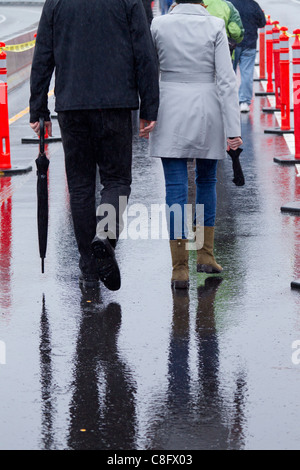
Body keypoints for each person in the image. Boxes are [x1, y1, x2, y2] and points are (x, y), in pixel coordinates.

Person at [30, 0, 159, 290]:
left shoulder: (57, 2)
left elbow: (43, 55)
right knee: (116, 181)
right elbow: (144, 51)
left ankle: (88, 268)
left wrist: (38, 107)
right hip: (116, 102)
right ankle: (105, 235)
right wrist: (149, 106)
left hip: (71, 104)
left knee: (80, 187)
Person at [146, 0, 242, 289]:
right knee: (206, 181)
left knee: (175, 188)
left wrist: (145, 112)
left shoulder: (158, 25)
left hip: (168, 106)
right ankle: (205, 254)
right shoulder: (214, 26)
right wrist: (233, 130)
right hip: (207, 107)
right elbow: (226, 81)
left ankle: (179, 269)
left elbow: (148, 73)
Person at [230, 0, 266, 112]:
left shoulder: (229, 4)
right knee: (247, 73)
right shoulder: (253, 5)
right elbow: (262, 23)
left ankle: (229, 100)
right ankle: (244, 102)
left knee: (229, 73)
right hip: (249, 44)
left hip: (232, 44)